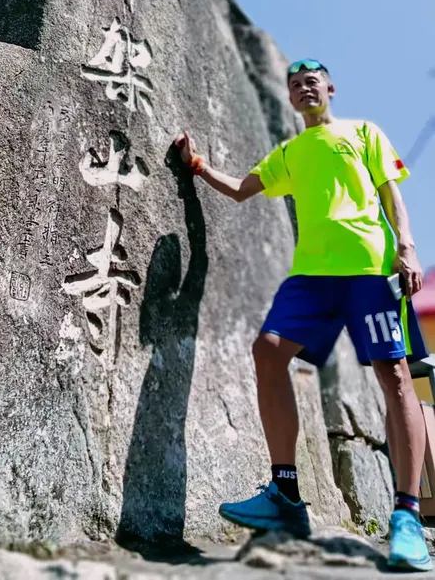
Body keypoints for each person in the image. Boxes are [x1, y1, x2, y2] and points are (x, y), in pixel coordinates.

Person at [175, 58, 431, 571]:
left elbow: (390, 192)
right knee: (267, 352)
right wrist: (199, 167)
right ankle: (286, 496)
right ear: (290, 99)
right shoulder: (289, 153)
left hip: (368, 267)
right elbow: (244, 189)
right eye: (294, 85)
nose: (303, 87)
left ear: (331, 88)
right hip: (312, 274)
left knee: (396, 376)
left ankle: (405, 515)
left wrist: (406, 246)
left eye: (312, 80)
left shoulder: (362, 132)